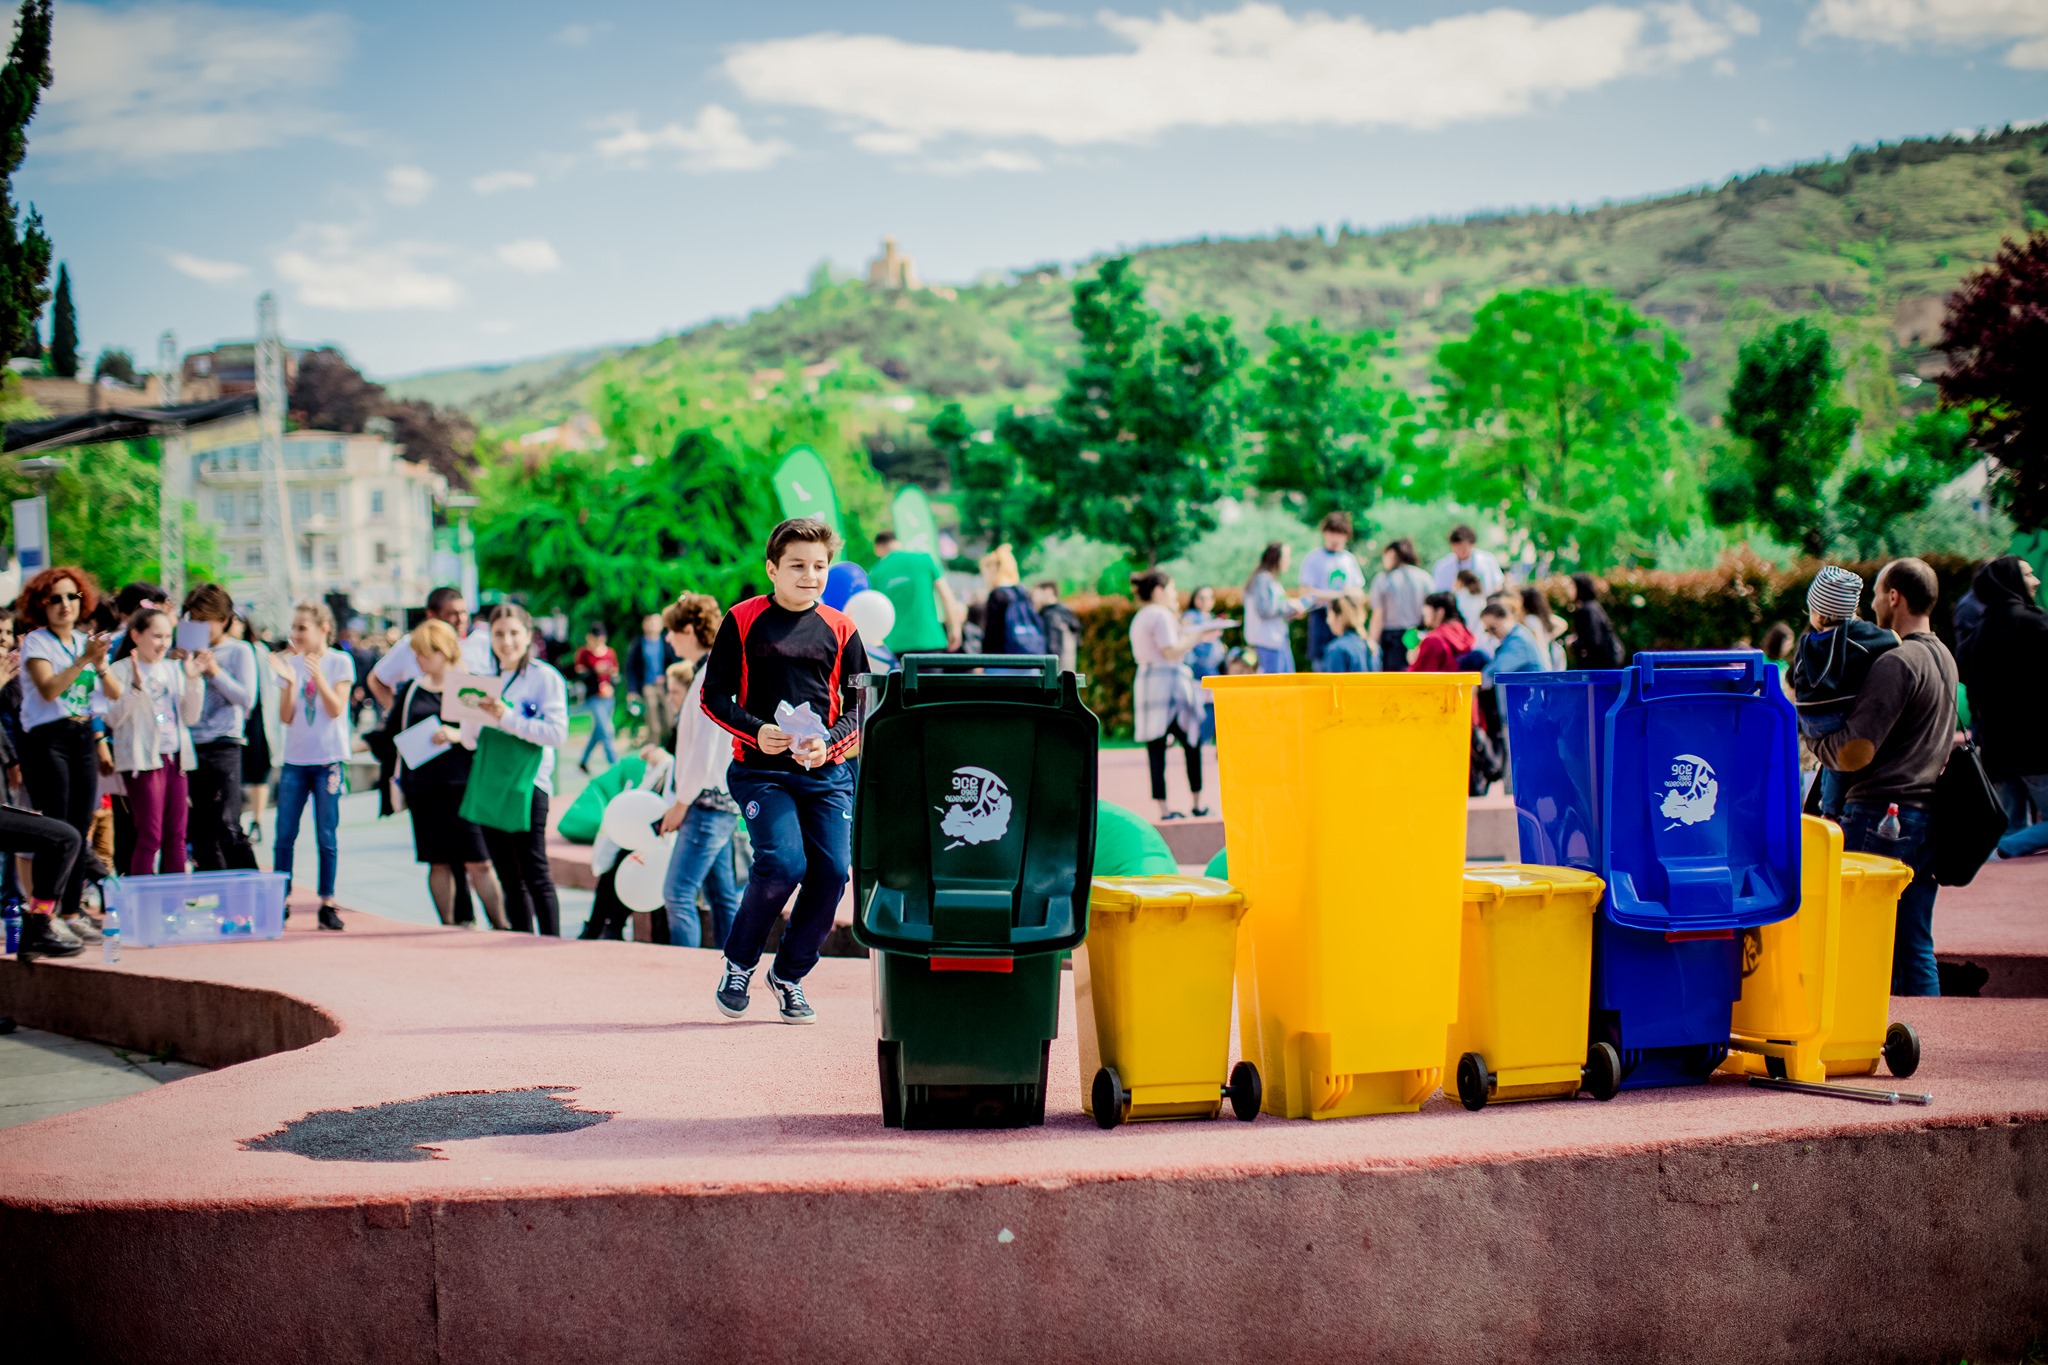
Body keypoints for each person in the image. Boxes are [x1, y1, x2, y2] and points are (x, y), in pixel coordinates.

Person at [701, 517, 869, 1024]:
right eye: (797, 565)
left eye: (819, 566)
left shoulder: (842, 628)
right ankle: (739, 964)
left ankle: (789, 975)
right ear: (772, 569)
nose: (810, 576)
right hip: (760, 772)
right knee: (782, 865)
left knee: (833, 873)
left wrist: (828, 744)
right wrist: (757, 731)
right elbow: (713, 696)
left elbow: (861, 708)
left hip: (826, 775)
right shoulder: (742, 619)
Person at [1809, 559, 1956, 997]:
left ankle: (1861, 1029)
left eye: (1875, 594)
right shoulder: (1944, 657)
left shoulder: (1898, 662)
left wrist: (1814, 740)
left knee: (1859, 938)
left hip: (1879, 815)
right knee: (1915, 946)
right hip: (1927, 815)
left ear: (1894, 597)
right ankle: (1931, 1033)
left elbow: (1855, 751)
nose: (1871, 605)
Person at [16, 566, 121, 943]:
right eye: (55, 598)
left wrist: (100, 664)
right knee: (56, 829)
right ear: (41, 605)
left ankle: (73, 911)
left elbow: (114, 693)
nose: (65, 605)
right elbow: (48, 690)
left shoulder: (84, 641)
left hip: (81, 735)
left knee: (80, 827)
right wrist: (82, 661)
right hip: (47, 739)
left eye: (72, 597)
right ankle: (44, 914)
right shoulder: (37, 642)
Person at [383, 619, 507, 929]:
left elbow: (490, 734)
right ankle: (449, 926)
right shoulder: (413, 689)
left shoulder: (470, 685)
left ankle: (502, 924)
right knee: (437, 861)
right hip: (424, 787)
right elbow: (392, 733)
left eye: (425, 653)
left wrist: (456, 735)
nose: (419, 660)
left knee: (479, 861)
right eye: (417, 653)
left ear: (444, 651)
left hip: (465, 785)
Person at [468, 603, 571, 936]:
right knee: (509, 879)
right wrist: (471, 713)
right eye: (499, 634)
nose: (507, 641)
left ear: (528, 636)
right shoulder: (485, 680)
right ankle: (521, 945)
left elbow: (557, 734)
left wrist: (507, 717)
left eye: (514, 633)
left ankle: (552, 944)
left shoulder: (544, 677)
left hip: (529, 784)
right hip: (491, 783)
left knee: (535, 873)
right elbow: (470, 741)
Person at [655, 594, 742, 949]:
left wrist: (680, 804)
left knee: (677, 893)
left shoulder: (710, 677)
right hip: (719, 802)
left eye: (671, 631)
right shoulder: (713, 672)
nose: (667, 639)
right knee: (722, 897)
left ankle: (687, 970)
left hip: (706, 804)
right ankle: (732, 965)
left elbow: (701, 755)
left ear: (689, 630)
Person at [267, 602, 355, 932]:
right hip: (295, 760)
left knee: (326, 834)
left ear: (323, 629)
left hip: (328, 760)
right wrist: (290, 682)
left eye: (302, 627)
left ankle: (327, 902)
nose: (296, 633)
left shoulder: (339, 661)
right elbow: (285, 716)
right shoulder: (290, 664)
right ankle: (281, 899)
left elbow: (336, 708)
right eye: (294, 627)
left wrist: (317, 676)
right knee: (284, 834)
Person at [1958, 556, 2048, 860]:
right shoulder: (2035, 624)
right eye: (2028, 574)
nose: (2036, 580)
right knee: (2018, 836)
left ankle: (2003, 848)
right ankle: (2003, 848)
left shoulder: (1976, 636)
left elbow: (1967, 683)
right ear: (2012, 582)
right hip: (2037, 749)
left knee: (2012, 825)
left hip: (1996, 749)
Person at [1793, 566, 1900, 818]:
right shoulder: (1859, 637)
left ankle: (1824, 807)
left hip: (1810, 720)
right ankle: (1830, 811)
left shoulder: (1807, 643)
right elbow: (1893, 640)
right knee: (1839, 764)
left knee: (1829, 762)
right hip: (1838, 718)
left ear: (1818, 614)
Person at [104, 606, 204, 875]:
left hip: (176, 758)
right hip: (142, 761)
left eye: (168, 636)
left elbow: (191, 716)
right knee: (150, 835)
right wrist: (135, 688)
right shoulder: (120, 670)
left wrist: (193, 680)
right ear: (136, 635)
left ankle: (174, 897)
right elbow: (112, 719)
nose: (163, 643)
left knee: (177, 836)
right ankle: (144, 895)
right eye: (157, 636)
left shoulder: (174, 669)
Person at [1129, 570, 1221, 822]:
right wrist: (1197, 636)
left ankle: (1164, 809)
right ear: (1158, 590)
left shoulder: (1140, 616)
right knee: (1191, 741)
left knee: (1155, 748)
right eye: (1171, 589)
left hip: (1147, 683)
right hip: (1169, 683)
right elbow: (1171, 651)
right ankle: (1197, 803)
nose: (1174, 594)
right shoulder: (1160, 614)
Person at [181, 584, 258, 871]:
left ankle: (250, 884)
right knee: (200, 829)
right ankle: (214, 886)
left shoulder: (240, 650)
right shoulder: (184, 653)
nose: (199, 627)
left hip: (225, 743)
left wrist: (214, 671)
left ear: (224, 619)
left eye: (205, 620)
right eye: (194, 620)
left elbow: (247, 698)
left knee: (228, 822)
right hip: (190, 745)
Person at [366, 587, 493, 709]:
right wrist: (398, 713)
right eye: (452, 614)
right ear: (431, 615)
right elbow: (376, 679)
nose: (461, 619)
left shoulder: (485, 641)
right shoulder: (412, 644)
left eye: (463, 612)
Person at [871, 530, 962, 657]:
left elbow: (876, 612)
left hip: (896, 645)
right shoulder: (924, 559)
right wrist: (955, 628)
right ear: (898, 542)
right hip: (930, 639)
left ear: (877, 548)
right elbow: (946, 596)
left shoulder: (875, 572)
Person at [232, 613, 279, 848]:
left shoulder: (258, 651)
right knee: (237, 772)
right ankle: (236, 822)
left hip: (258, 717)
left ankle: (257, 820)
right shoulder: (223, 650)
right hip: (236, 718)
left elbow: (269, 688)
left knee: (259, 770)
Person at [1299, 512, 1365, 671]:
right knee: (1322, 667)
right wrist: (1341, 595)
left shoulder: (1349, 560)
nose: (1335, 538)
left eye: (1339, 534)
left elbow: (1359, 593)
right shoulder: (1313, 558)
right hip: (1321, 619)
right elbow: (1305, 593)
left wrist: (1324, 594)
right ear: (1325, 533)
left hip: (1345, 619)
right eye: (1332, 533)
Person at [1368, 538, 1432, 672]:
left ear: (1392, 554)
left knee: (1394, 680)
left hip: (1392, 640)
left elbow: (1378, 616)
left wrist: (1372, 643)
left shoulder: (1383, 580)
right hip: (1417, 636)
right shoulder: (1424, 578)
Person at [1243, 542, 1307, 674]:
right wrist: (1290, 605)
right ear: (1276, 558)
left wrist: (1291, 612)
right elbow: (1265, 610)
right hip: (1268, 643)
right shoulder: (1262, 579)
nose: (1289, 561)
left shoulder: (1270, 580)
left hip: (1278, 642)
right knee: (1275, 685)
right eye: (1286, 557)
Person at [979, 545, 1047, 657]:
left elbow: (991, 633)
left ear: (994, 568)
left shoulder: (997, 595)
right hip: (1027, 655)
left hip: (1004, 658)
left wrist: (984, 658)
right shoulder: (1022, 592)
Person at [572, 623, 620, 773]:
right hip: (594, 697)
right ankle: (614, 765)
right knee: (606, 731)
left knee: (598, 731)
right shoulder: (584, 654)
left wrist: (611, 684)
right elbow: (579, 674)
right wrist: (594, 671)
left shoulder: (609, 653)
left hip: (608, 697)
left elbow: (615, 674)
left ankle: (583, 761)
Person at [624, 612, 676, 742]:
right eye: (649, 622)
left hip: (666, 686)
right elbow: (631, 668)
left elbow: (675, 662)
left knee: (670, 720)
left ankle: (669, 747)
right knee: (653, 724)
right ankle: (654, 747)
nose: (652, 625)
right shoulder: (638, 644)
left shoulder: (667, 641)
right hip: (648, 686)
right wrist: (632, 690)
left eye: (655, 622)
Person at [1479, 601, 1549, 681]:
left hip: (1533, 687)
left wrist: (1478, 680)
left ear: (1508, 618)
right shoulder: (1512, 637)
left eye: (1493, 628)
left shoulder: (1519, 639)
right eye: (1487, 630)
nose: (1491, 633)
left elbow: (1499, 668)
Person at [1567, 573, 1625, 669]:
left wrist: (1574, 643)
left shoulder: (1587, 610)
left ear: (1580, 588)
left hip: (1597, 667)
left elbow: (1593, 640)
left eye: (1572, 586)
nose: (1568, 590)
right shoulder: (1594, 607)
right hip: (1606, 663)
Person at [1408, 592, 1475, 672]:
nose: (1423, 613)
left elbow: (1419, 673)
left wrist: (1414, 659)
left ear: (1440, 612)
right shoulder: (1464, 632)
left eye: (1427, 610)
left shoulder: (1433, 640)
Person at [1432, 524, 1505, 595]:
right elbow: (1439, 592)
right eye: (1457, 548)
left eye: (1464, 548)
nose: (1461, 551)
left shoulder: (1488, 560)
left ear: (1473, 545)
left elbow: (1498, 584)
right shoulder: (1442, 567)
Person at [1032, 582, 1082, 674]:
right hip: (1068, 671)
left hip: (1055, 674)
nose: (1034, 599)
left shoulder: (1051, 615)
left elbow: (1052, 649)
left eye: (1036, 595)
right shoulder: (1066, 613)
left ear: (1048, 592)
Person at [1321, 591, 1371, 673]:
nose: (1328, 621)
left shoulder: (1336, 650)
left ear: (1339, 617)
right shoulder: (1373, 648)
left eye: (1329, 615)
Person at [1519, 586, 1566, 670]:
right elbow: (1563, 624)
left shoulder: (1530, 619)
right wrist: (1549, 637)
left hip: (1543, 659)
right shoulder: (1543, 616)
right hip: (1550, 655)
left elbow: (1539, 643)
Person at [1452, 570, 1489, 644]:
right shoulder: (1480, 598)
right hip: (1479, 637)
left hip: (1463, 637)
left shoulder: (1459, 597)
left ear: (1460, 581)